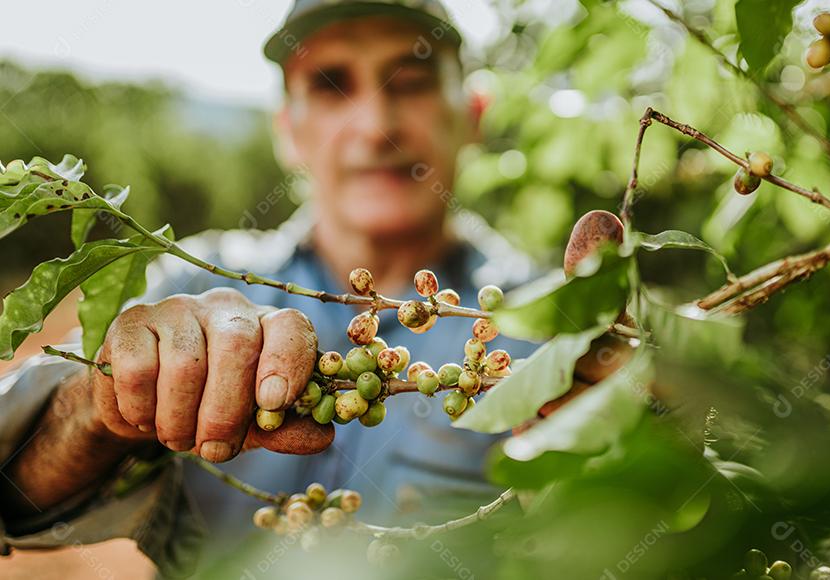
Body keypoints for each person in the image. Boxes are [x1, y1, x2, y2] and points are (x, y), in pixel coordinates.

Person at [0, 1, 542, 575]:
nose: (375, 125)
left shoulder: (553, 326)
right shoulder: (193, 284)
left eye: (410, 83)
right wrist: (98, 409)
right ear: (287, 130)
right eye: (333, 88)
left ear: (474, 114)